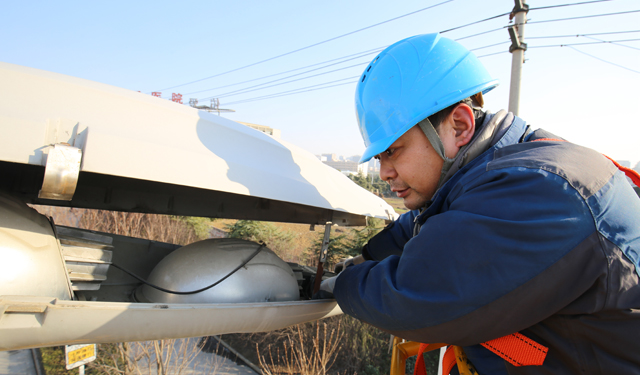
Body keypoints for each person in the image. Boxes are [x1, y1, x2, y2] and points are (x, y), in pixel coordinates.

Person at [317, 33, 640, 374]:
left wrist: (345, 284)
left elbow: (418, 296)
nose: (384, 172)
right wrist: (368, 255)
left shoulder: (541, 190)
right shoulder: (495, 170)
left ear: (459, 126)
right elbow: (426, 221)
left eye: (393, 151)